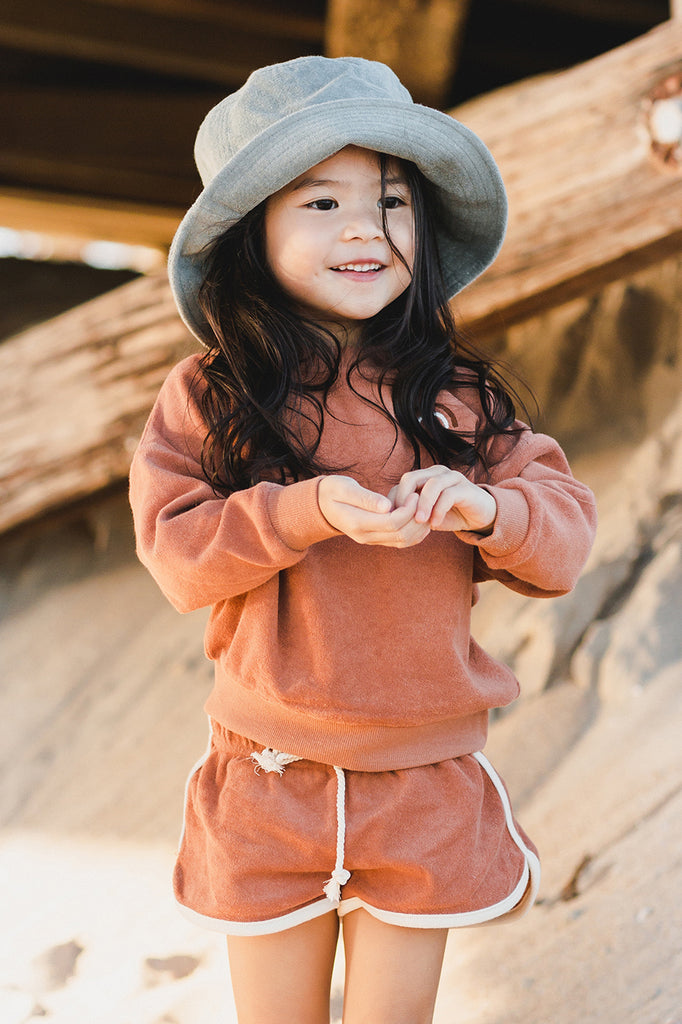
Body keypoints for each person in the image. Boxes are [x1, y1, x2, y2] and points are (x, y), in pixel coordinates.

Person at [129, 55, 597, 1024]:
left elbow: (561, 537)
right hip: (267, 774)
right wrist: (304, 511)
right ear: (251, 230)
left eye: (391, 200)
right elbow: (177, 553)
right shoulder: (211, 396)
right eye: (319, 202)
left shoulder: (456, 398)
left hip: (424, 781)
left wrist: (484, 510)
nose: (363, 229)